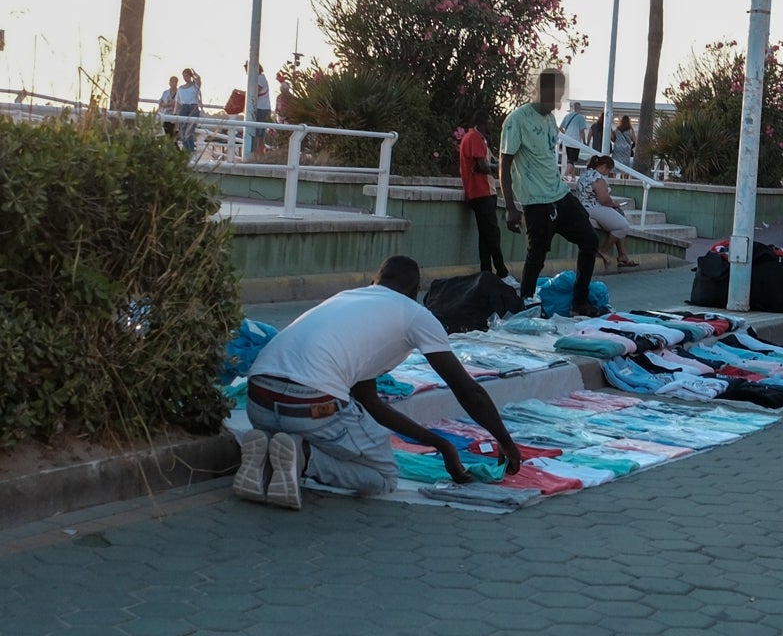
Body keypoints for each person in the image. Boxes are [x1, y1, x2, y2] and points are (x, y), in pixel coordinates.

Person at [233, 255, 523, 510]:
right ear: (415, 292)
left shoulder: (346, 298)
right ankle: (303, 457)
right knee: (383, 475)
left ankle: (269, 454)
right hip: (311, 409)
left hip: (259, 401)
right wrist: (505, 441)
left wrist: (440, 444)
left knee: (320, 418)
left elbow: (369, 401)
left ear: (375, 280)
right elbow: (468, 390)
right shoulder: (415, 314)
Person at [500, 68, 604, 317]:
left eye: (560, 96)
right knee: (536, 254)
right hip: (536, 201)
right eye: (553, 96)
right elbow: (505, 165)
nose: (556, 103)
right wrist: (511, 207)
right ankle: (524, 303)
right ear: (541, 90)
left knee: (590, 240)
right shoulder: (517, 120)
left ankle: (580, 301)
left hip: (559, 194)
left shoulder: (549, 120)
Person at [459, 110, 518, 288]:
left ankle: (486, 272)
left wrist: (493, 166)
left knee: (486, 236)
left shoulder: (479, 139)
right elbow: (483, 165)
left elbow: (488, 163)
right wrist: (497, 168)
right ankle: (502, 273)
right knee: (492, 234)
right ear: (481, 123)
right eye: (489, 122)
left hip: (484, 192)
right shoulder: (474, 138)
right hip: (481, 192)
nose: (491, 125)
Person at [576, 155, 639, 269]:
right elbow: (604, 200)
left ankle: (622, 255)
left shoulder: (586, 174)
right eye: (609, 170)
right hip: (593, 207)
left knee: (619, 215)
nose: (608, 173)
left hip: (584, 206)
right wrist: (615, 204)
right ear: (604, 166)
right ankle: (603, 250)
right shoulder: (598, 178)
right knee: (623, 226)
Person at [174, 67, 203, 153]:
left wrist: (194, 74)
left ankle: (190, 151)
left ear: (190, 76)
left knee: (189, 131)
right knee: (182, 131)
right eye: (184, 76)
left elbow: (199, 79)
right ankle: (188, 150)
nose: (185, 78)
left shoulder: (195, 86)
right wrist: (175, 113)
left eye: (186, 76)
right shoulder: (180, 88)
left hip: (193, 108)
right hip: (184, 108)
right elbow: (177, 102)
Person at [558, 102, 588, 179]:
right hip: (575, 142)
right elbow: (581, 131)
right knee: (572, 160)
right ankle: (565, 175)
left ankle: (573, 176)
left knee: (571, 159)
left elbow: (560, 127)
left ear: (573, 108)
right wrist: (584, 141)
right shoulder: (580, 117)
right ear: (579, 108)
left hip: (567, 141)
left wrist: (566, 134)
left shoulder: (568, 116)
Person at [158, 75, 178, 139]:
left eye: (175, 81)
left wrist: (169, 104)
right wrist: (167, 104)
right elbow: (161, 102)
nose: (173, 83)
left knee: (172, 132)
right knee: (165, 131)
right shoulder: (165, 92)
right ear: (169, 82)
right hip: (165, 114)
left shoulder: (179, 93)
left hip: (174, 115)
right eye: (172, 81)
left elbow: (177, 103)